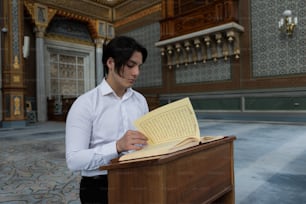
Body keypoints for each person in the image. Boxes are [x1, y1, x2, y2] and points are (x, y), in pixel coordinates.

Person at [65, 36, 149, 204]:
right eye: (130, 65)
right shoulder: (85, 104)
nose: (136, 73)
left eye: (139, 66)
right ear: (110, 63)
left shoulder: (140, 100)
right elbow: (74, 160)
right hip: (100, 186)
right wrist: (117, 147)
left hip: (139, 180)